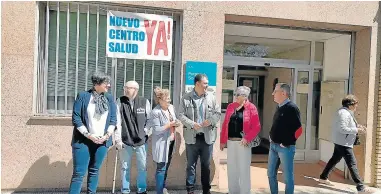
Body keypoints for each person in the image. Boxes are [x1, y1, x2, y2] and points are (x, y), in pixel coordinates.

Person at [318, 95, 377, 194]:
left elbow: (346, 125)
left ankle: (323, 177)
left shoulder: (345, 112)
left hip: (341, 141)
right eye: (355, 105)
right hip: (344, 143)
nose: (356, 107)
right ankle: (361, 188)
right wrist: (357, 130)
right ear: (350, 105)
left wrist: (358, 126)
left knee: (334, 160)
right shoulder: (344, 114)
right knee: (352, 164)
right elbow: (342, 129)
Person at [69, 72, 117, 194]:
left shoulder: (109, 98)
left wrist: (107, 135)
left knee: (94, 170)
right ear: (97, 83)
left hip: (102, 141)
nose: (109, 85)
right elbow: (76, 118)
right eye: (106, 83)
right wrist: (89, 135)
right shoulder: (83, 96)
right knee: (79, 173)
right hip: (83, 140)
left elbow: (113, 119)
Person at [178, 73, 221, 194]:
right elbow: (180, 115)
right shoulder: (186, 98)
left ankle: (206, 190)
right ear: (197, 84)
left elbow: (217, 113)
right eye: (205, 83)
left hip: (207, 138)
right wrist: (192, 124)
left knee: (206, 166)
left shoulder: (211, 97)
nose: (207, 85)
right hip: (192, 138)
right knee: (190, 166)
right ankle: (190, 190)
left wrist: (210, 121)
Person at [220, 86, 261, 194]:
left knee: (244, 169)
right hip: (231, 141)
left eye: (238, 95)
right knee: (232, 168)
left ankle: (245, 192)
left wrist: (247, 138)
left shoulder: (251, 107)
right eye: (235, 94)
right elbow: (225, 124)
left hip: (243, 143)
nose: (235, 97)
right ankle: (233, 191)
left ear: (244, 96)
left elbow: (256, 127)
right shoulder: (231, 106)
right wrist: (222, 141)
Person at [114, 81, 151, 194]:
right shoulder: (120, 101)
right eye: (125, 87)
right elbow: (117, 121)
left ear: (136, 90)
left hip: (141, 141)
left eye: (128, 88)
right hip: (126, 141)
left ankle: (142, 190)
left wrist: (146, 132)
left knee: (142, 167)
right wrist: (118, 139)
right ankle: (125, 190)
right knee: (125, 167)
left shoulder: (144, 101)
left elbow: (150, 120)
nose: (125, 89)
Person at [267, 83, 303, 194]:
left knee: (287, 178)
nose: (273, 94)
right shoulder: (279, 107)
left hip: (285, 148)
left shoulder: (292, 108)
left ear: (283, 93)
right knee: (271, 174)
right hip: (273, 146)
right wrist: (271, 135)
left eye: (275, 91)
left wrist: (286, 142)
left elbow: (299, 130)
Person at [149, 87, 180, 194]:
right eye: (167, 98)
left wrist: (177, 123)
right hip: (161, 144)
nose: (169, 100)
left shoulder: (171, 108)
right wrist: (170, 124)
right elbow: (157, 130)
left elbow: (175, 119)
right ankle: (159, 191)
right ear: (160, 100)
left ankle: (163, 187)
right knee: (161, 168)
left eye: (169, 98)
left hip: (171, 141)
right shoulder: (155, 112)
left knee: (166, 166)